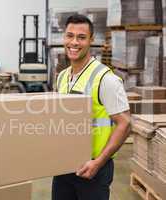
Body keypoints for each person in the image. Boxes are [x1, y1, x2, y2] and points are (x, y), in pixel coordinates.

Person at [52, 14, 131, 200]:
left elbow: (125, 123)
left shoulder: (105, 78)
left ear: (91, 40)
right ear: (64, 38)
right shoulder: (62, 76)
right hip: (63, 166)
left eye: (81, 37)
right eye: (69, 36)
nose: (74, 42)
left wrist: (99, 162)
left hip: (94, 169)